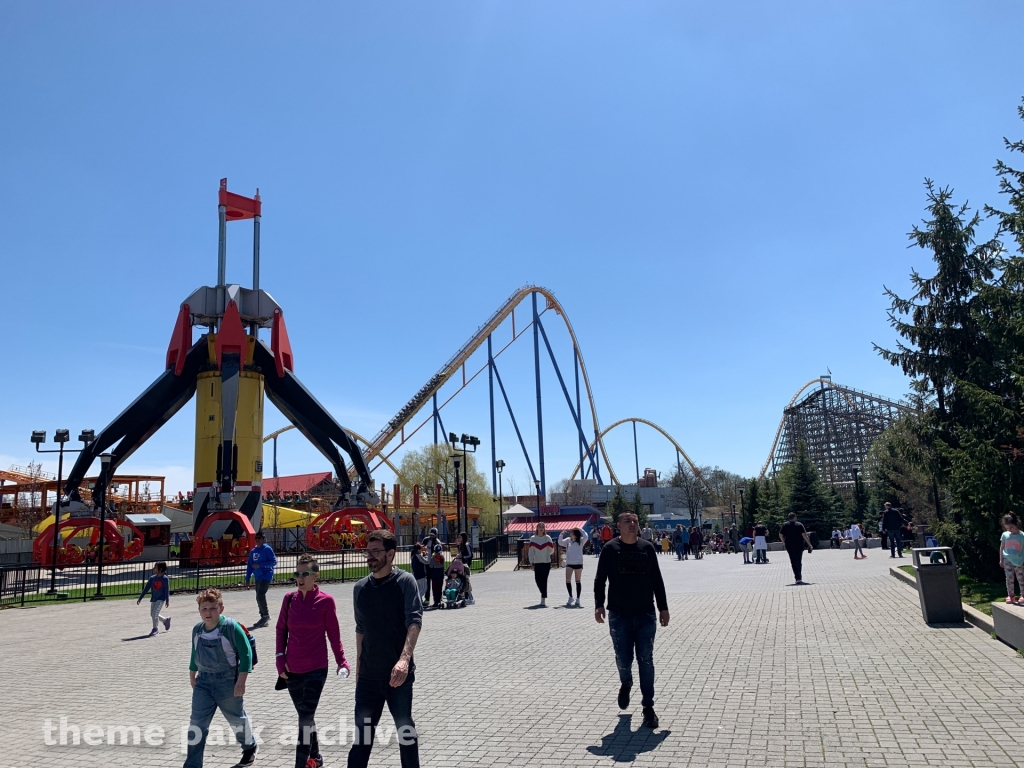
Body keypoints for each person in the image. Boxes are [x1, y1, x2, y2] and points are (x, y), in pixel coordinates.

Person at [348, 529, 423, 768]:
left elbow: (414, 622)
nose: (370, 556)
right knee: (362, 738)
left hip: (398, 677)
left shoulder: (405, 582)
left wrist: (404, 660)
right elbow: (361, 629)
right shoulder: (360, 589)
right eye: (368, 551)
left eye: (376, 551)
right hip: (369, 677)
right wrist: (359, 672)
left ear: (390, 554)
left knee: (405, 731)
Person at [594, 511, 668, 730]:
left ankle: (648, 708)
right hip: (619, 616)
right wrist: (599, 604)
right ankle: (626, 682)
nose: (632, 524)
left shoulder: (647, 548)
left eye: (635, 521)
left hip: (645, 614)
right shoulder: (609, 550)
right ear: (618, 525)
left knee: (646, 660)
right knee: (624, 659)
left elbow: (657, 580)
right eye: (627, 521)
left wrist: (663, 608)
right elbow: (600, 580)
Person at [275, 554, 348, 768]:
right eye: (297, 573)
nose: (300, 577)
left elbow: (333, 634)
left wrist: (342, 661)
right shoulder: (289, 599)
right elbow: (281, 630)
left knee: (305, 717)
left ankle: (301, 764)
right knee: (305, 716)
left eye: (305, 573)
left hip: (316, 668)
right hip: (291, 669)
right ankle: (315, 757)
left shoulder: (326, 601)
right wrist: (280, 660)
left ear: (316, 575)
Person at [184, 588, 259, 768]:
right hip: (203, 683)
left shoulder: (231, 628)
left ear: (221, 609)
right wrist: (192, 675)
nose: (208, 613)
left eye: (212, 608)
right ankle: (192, 765)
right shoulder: (197, 630)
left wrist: (241, 681)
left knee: (236, 719)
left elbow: (246, 654)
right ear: (199, 610)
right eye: (204, 609)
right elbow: (194, 653)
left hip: (228, 683)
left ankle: (249, 746)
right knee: (197, 724)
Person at [245, 531, 278, 628]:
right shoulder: (253, 551)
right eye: (256, 538)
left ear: (263, 539)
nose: (257, 540)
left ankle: (266, 616)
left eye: (259, 538)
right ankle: (263, 616)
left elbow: (273, 561)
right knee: (258, 597)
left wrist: (260, 565)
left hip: (266, 576)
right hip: (258, 576)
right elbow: (250, 566)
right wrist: (247, 578)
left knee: (260, 595)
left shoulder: (267, 549)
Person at [137, 561, 171, 636]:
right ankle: (165, 620)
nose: (153, 569)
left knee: (155, 613)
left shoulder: (165, 579)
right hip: (154, 598)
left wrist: (167, 600)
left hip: (161, 599)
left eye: (155, 567)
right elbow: (146, 588)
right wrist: (140, 598)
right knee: (152, 614)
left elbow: (166, 590)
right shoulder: (152, 578)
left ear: (160, 569)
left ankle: (155, 629)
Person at [779, 513, 814, 584]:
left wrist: (784, 542)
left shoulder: (785, 525)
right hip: (799, 545)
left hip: (789, 545)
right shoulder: (799, 525)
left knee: (793, 561)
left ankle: (797, 578)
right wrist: (809, 544)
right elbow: (804, 535)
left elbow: (780, 534)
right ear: (794, 517)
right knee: (798, 561)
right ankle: (799, 577)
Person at [558, 527, 589, 607]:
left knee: (577, 580)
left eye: (572, 532)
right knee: (568, 580)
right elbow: (560, 542)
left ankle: (578, 598)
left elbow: (586, 536)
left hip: (578, 562)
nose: (570, 533)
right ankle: (570, 596)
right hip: (569, 563)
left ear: (575, 534)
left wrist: (580, 529)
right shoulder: (568, 540)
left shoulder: (581, 540)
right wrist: (561, 534)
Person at [999, 512, 1024, 605]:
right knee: (1009, 578)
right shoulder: (1005, 535)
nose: (1010, 530)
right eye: (1007, 528)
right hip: (1007, 560)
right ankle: (1011, 595)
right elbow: (1002, 547)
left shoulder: (1022, 536)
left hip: (1019, 561)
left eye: (1011, 527)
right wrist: (1001, 559)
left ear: (1016, 524)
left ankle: (1023, 595)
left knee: (1021, 578)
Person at [528, 522, 554, 607]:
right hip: (537, 562)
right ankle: (543, 593)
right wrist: (531, 561)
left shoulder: (547, 538)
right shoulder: (533, 539)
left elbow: (551, 549)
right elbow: (531, 552)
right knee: (537, 580)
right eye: (540, 526)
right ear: (537, 528)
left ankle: (543, 599)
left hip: (546, 562)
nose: (541, 528)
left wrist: (547, 554)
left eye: (543, 527)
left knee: (544, 580)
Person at [457, 531, 476, 604]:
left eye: (460, 537)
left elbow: (470, 555)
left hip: (466, 565)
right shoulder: (461, 545)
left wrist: (463, 557)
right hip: (461, 564)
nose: (459, 538)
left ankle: (470, 598)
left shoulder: (466, 544)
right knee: (464, 581)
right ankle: (467, 597)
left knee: (466, 580)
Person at [426, 540, 445, 608]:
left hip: (434, 575)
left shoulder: (433, 558)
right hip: (441, 575)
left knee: (435, 589)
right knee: (440, 588)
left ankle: (435, 601)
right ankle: (439, 600)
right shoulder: (442, 558)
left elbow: (430, 566)